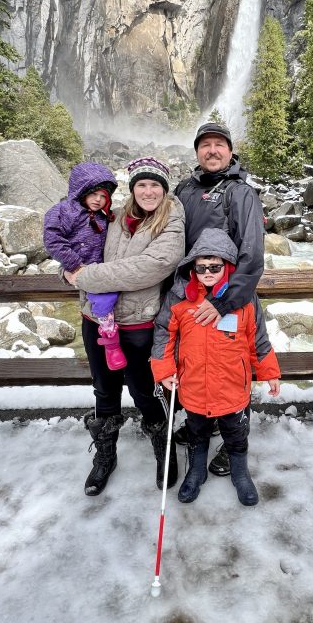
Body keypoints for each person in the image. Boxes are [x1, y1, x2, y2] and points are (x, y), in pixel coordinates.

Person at [63, 157, 186, 497]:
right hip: (97, 319)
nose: (148, 191)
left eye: (155, 185)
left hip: (138, 323)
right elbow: (78, 245)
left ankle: (165, 451)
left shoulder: (173, 222)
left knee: (144, 390)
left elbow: (149, 268)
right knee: (104, 389)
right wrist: (69, 268)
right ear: (133, 188)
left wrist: (85, 277)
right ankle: (105, 454)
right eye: (142, 185)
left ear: (164, 190)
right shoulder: (113, 217)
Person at [151, 228, 280, 506]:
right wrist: (164, 370)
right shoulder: (179, 299)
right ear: (192, 268)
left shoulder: (243, 300)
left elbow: (258, 338)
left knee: (236, 432)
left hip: (233, 386)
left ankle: (240, 471)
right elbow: (164, 333)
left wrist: (269, 372)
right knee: (197, 431)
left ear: (228, 267)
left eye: (215, 266)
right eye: (201, 267)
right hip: (194, 386)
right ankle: (196, 470)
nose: (208, 272)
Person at [174, 121, 266, 476]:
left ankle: (234, 442)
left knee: (234, 368)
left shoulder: (241, 193)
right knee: (198, 363)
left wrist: (224, 301)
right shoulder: (184, 189)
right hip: (192, 296)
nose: (212, 150)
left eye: (219, 145)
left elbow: (252, 254)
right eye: (205, 145)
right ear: (197, 151)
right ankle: (206, 420)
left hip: (229, 299)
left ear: (230, 151)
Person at [43, 162, 126, 370]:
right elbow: (53, 240)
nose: (99, 200)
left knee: (112, 298)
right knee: (104, 304)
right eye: (94, 195)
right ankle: (111, 343)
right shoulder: (62, 211)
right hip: (82, 269)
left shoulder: (102, 216)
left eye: (104, 196)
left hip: (100, 269)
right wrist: (73, 265)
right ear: (82, 191)